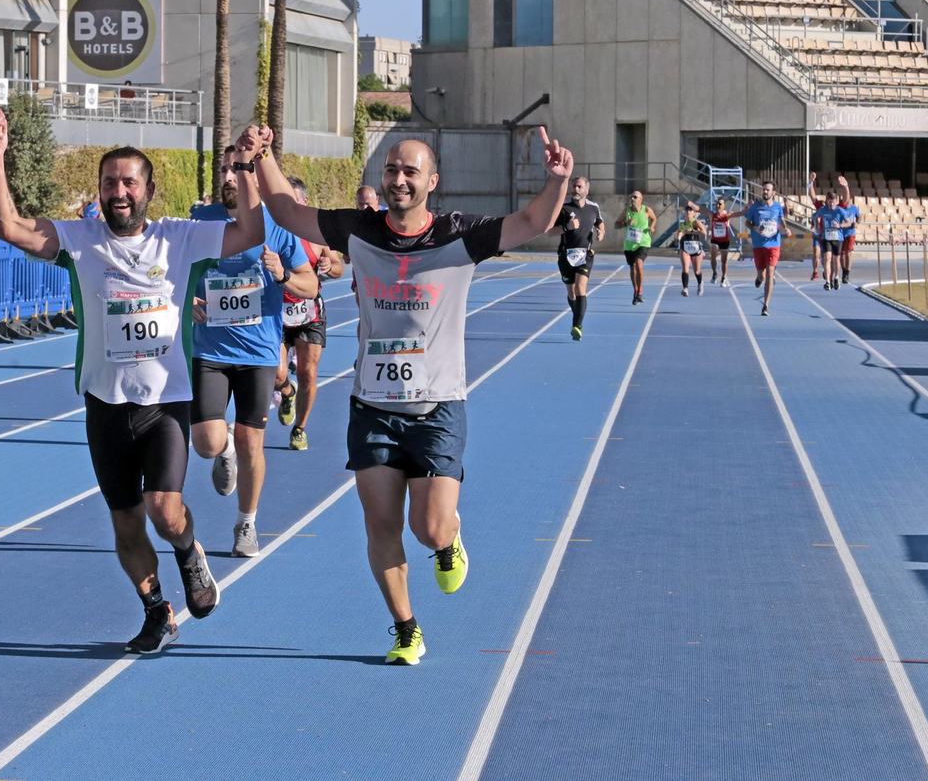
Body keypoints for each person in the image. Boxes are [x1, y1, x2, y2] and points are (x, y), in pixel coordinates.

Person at [258, 130, 574, 666]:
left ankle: (448, 539)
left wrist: (558, 180)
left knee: (426, 528)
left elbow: (532, 223)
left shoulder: (460, 234)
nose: (398, 179)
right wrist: (262, 154)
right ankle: (406, 630)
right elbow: (287, 211)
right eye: (391, 170)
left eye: (410, 172)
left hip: (437, 408)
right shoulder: (359, 228)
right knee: (380, 525)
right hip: (372, 407)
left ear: (432, 181)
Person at [0, 119, 268, 655]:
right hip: (105, 403)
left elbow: (250, 233)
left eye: (129, 182)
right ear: (99, 192)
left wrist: (247, 168)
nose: (119, 192)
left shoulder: (180, 237)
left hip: (164, 402)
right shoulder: (79, 238)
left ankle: (189, 552)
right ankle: (157, 612)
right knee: (126, 523)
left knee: (165, 509)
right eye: (110, 183)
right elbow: (9, 227)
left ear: (149, 190)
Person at [189, 147, 316, 559]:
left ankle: (246, 524)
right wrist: (184, 295)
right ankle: (221, 449)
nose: (229, 176)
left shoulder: (278, 227)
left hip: (258, 352)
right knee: (207, 443)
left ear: (253, 177)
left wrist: (282, 273)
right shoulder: (199, 220)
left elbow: (309, 285)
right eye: (224, 169)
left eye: (237, 169)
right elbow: (166, 270)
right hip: (209, 347)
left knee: (252, 443)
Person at [276, 175, 343, 446]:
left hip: (309, 314)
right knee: (277, 373)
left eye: (292, 201)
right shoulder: (272, 231)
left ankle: (300, 429)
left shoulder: (316, 235)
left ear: (304, 202)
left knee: (308, 374)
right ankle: (286, 393)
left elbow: (338, 266)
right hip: (276, 313)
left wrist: (329, 267)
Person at [552, 175, 604, 340]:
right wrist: (567, 227)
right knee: (571, 292)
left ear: (586, 190)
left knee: (581, 288)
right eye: (574, 186)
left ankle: (577, 326)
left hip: (585, 255)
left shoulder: (593, 207)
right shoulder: (563, 207)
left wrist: (601, 231)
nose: (576, 189)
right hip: (566, 254)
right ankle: (577, 314)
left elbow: (599, 222)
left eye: (579, 186)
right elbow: (550, 232)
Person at [744, 181, 790, 317]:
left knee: (770, 273)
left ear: (773, 193)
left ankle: (765, 306)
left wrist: (786, 228)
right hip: (759, 245)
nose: (765, 192)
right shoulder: (755, 207)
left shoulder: (777, 207)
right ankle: (759, 278)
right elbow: (747, 222)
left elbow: (782, 219)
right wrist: (755, 228)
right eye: (764, 189)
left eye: (768, 190)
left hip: (774, 245)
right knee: (762, 275)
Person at [615, 191, 656, 305]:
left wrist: (651, 227)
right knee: (633, 268)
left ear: (640, 199)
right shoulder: (627, 211)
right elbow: (616, 224)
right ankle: (635, 292)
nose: (632, 199)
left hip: (643, 242)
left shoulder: (647, 210)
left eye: (635, 197)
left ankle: (640, 292)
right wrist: (626, 224)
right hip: (629, 244)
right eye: (631, 197)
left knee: (639, 264)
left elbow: (654, 218)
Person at [815, 191, 846, 291]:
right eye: (830, 202)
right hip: (826, 237)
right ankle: (827, 281)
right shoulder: (823, 210)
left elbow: (849, 222)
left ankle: (836, 277)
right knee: (827, 258)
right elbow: (815, 216)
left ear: (836, 201)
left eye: (833, 202)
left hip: (838, 238)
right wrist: (816, 227)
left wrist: (840, 225)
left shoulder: (840, 210)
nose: (831, 204)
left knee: (836, 260)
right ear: (827, 201)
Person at [676, 201, 707, 297]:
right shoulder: (683, 224)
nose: (688, 212)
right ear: (685, 212)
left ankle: (700, 283)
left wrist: (693, 231)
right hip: (685, 247)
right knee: (685, 267)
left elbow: (704, 232)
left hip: (695, 247)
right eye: (687, 210)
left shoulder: (696, 222)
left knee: (697, 270)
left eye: (690, 210)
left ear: (693, 213)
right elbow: (680, 232)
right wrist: (679, 237)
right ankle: (685, 288)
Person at [708, 196, 735, 288]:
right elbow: (700, 210)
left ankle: (723, 277)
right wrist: (692, 205)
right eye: (717, 204)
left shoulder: (727, 215)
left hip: (724, 241)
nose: (718, 205)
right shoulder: (712, 215)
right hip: (715, 240)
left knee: (724, 261)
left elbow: (740, 213)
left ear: (724, 206)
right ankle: (714, 273)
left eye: (720, 204)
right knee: (713, 253)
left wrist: (747, 208)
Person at [837, 178, 859, 285]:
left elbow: (859, 216)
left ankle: (847, 274)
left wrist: (857, 223)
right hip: (842, 233)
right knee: (842, 255)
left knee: (849, 253)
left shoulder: (854, 208)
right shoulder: (840, 208)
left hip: (851, 233)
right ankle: (844, 270)